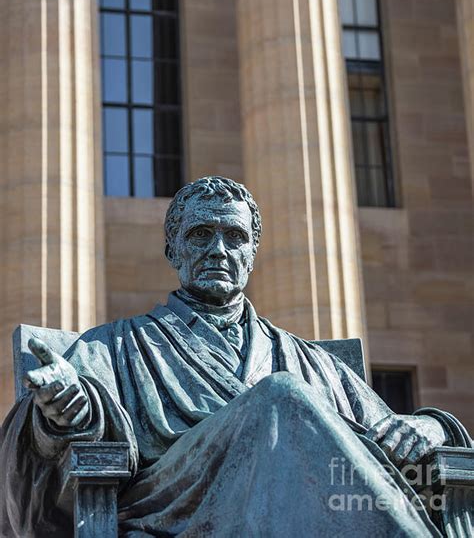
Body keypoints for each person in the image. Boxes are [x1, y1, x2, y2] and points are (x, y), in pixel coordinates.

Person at [1, 177, 471, 537]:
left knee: (292, 403)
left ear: (252, 253)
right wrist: (65, 416)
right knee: (280, 396)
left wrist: (431, 427)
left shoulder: (305, 358)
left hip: (299, 513)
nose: (219, 251)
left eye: (235, 237)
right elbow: (55, 444)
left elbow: (381, 439)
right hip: (176, 512)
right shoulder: (116, 345)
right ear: (173, 248)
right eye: (201, 234)